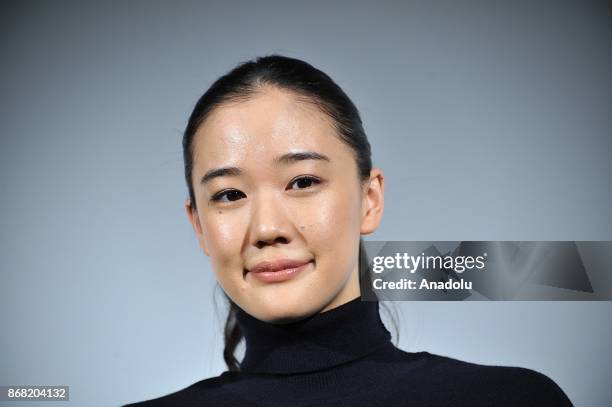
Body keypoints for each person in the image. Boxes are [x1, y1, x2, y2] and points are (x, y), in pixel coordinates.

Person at [124, 55, 572, 406]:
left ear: (370, 199)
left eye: (303, 182)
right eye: (229, 195)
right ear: (199, 226)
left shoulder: (511, 400)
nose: (266, 228)